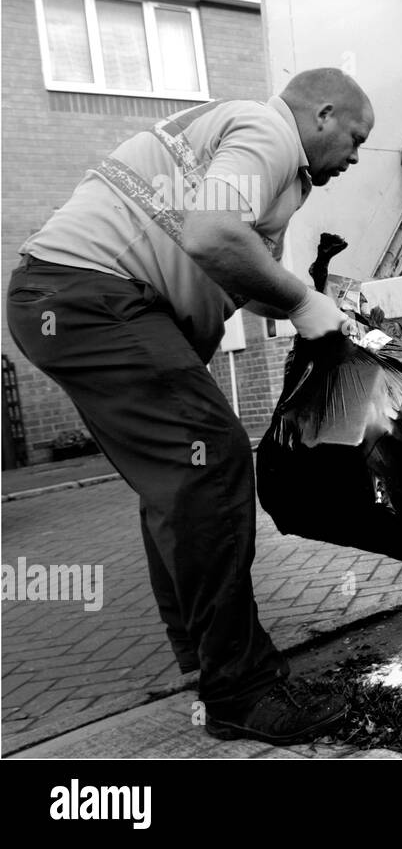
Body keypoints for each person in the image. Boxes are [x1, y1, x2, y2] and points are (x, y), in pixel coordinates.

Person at [6, 68, 373, 745]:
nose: (354, 157)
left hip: (69, 298)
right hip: (90, 295)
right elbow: (209, 234)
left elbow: (241, 272)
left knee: (179, 480)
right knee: (212, 459)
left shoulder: (276, 176)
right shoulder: (266, 132)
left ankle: (206, 658)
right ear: (322, 115)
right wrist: (300, 301)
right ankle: (239, 690)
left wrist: (306, 299)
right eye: (355, 138)